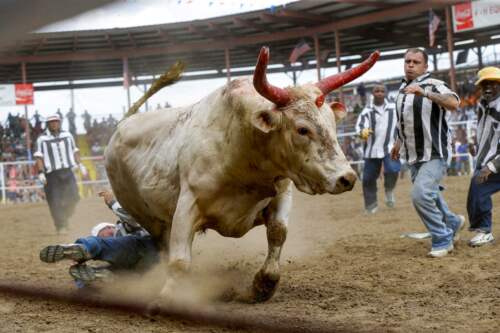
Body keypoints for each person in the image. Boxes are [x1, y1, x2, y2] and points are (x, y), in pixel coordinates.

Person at [391, 48, 465, 258]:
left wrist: (424, 92)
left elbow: (454, 103)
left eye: (415, 62)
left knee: (420, 195)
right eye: (407, 61)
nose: (410, 65)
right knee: (431, 195)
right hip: (413, 155)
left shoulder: (434, 84)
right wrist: (397, 142)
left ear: (425, 66)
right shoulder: (401, 88)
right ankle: (453, 222)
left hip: (435, 153)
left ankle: (443, 238)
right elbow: (403, 120)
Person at [39, 190, 158, 286]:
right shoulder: (114, 251)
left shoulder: (126, 226)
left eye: (103, 231)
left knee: (98, 245)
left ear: (110, 226)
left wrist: (113, 203)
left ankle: (83, 248)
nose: (107, 235)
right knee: (99, 272)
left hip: (148, 247)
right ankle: (96, 279)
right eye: (101, 235)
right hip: (147, 267)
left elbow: (134, 218)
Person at [34, 114, 87, 234]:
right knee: (54, 201)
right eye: (51, 122)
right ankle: (61, 226)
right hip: (51, 175)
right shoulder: (41, 139)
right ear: (48, 124)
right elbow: (39, 157)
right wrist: (41, 172)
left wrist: (81, 165)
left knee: (74, 197)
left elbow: (75, 151)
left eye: (56, 121)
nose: (54, 124)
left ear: (60, 122)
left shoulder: (68, 135)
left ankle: (65, 218)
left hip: (67, 172)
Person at [466, 67, 500, 247]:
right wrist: (475, 142)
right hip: (488, 157)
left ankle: (484, 230)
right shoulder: (482, 104)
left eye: (493, 83)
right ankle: (483, 229)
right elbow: (482, 128)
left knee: (478, 187)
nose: (488, 87)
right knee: (476, 189)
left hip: (495, 161)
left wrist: (492, 166)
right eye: (484, 84)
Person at [355, 83, 400, 213]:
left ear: (386, 93)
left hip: (390, 147)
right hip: (371, 149)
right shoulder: (366, 111)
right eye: (376, 91)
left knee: (393, 169)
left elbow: (401, 123)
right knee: (368, 179)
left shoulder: (393, 108)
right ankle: (371, 206)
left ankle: (389, 190)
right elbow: (359, 128)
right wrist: (362, 132)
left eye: (382, 91)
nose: (379, 93)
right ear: (372, 94)